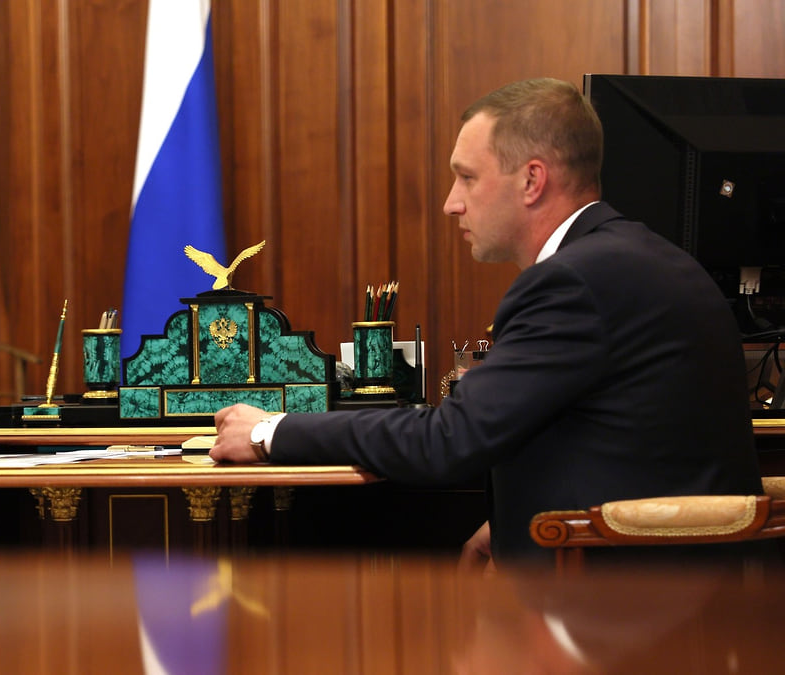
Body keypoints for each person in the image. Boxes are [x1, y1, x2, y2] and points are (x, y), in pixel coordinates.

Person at [209, 78, 765, 567]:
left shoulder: (574, 282)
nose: (451, 203)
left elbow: (448, 441)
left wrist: (269, 431)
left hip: (619, 605)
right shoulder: (642, 258)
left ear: (532, 181)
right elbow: (624, 441)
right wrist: (511, 523)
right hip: (679, 581)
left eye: (467, 178)